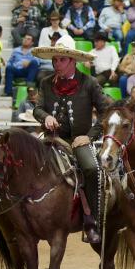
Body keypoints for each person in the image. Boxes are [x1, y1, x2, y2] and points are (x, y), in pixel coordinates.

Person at [31, 45, 109, 244]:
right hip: (51, 138)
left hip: (78, 140)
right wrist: (46, 116)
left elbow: (105, 113)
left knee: (91, 168)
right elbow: (37, 109)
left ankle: (92, 221)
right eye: (54, 60)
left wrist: (89, 136)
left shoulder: (89, 82)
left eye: (62, 60)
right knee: (26, 160)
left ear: (73, 61)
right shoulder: (46, 82)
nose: (57, 64)